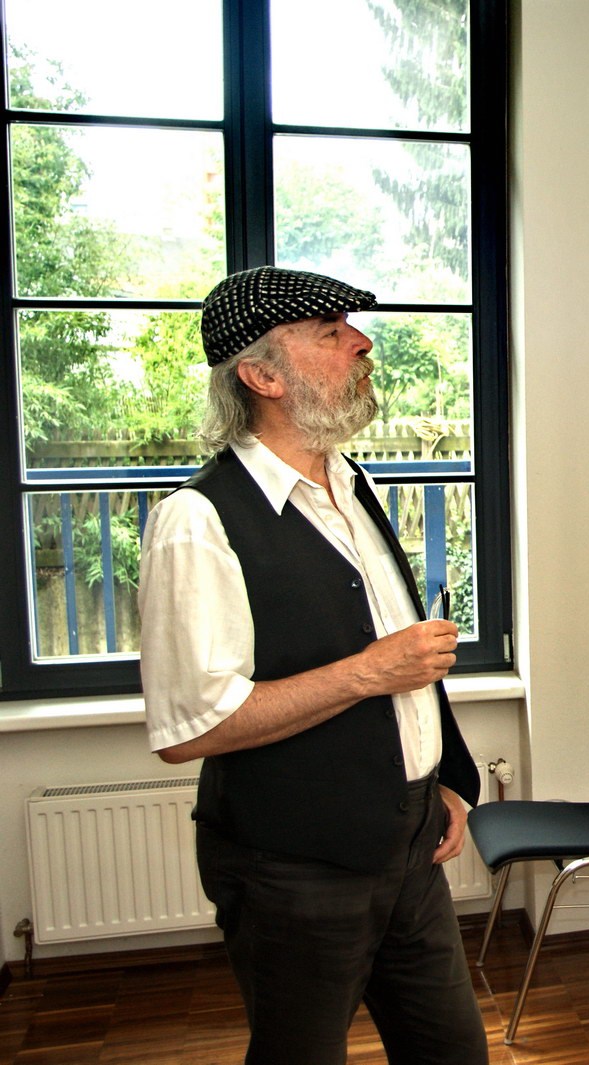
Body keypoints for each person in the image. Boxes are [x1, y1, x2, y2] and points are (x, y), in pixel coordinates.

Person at [138, 265, 490, 1065]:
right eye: (332, 333)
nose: (362, 344)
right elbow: (191, 728)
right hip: (290, 871)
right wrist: (367, 671)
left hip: (410, 846)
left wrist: (445, 779)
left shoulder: (352, 485)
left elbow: (409, 666)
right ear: (263, 376)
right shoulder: (196, 521)